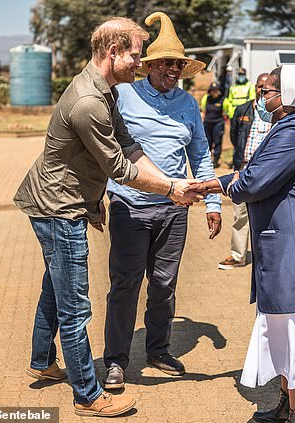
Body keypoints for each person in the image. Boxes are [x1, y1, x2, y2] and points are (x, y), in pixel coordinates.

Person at [14, 17, 201, 418]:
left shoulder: (108, 91)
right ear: (113, 52)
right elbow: (120, 167)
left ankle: (42, 359)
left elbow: (129, 145)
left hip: (67, 201)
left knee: (55, 284)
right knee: (75, 303)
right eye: (136, 54)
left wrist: (167, 181)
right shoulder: (89, 102)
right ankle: (87, 394)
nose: (139, 61)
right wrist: (172, 189)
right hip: (57, 208)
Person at [189, 64, 295, 423]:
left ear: (288, 95)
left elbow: (252, 182)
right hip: (294, 253)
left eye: (268, 91)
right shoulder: (289, 127)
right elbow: (254, 173)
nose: (261, 98)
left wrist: (220, 186)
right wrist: (209, 185)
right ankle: (287, 406)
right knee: (284, 334)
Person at [102, 12, 222, 390]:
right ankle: (116, 361)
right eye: (167, 63)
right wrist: (98, 195)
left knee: (165, 284)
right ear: (149, 65)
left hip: (174, 210)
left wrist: (214, 205)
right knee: (125, 284)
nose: (173, 69)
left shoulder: (188, 104)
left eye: (178, 64)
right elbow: (104, 146)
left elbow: (200, 154)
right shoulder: (123, 95)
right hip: (129, 206)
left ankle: (157, 349)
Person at [218, 73, 270, 270]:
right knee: (240, 214)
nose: (262, 90)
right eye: (259, 86)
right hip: (244, 169)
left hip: (267, 172)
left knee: (267, 213)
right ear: (255, 87)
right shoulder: (243, 109)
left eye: (267, 87)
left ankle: (265, 257)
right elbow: (234, 136)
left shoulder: (277, 112)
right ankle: (238, 255)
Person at [200, 82, 225, 167]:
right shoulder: (206, 99)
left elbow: (226, 113)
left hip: (218, 122)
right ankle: (207, 160)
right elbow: (203, 111)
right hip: (208, 123)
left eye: (216, 90)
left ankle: (216, 160)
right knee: (207, 142)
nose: (214, 92)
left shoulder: (223, 100)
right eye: (213, 90)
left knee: (217, 141)